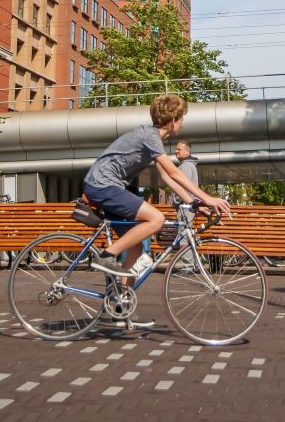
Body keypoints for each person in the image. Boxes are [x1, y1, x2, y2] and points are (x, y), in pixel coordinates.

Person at [83, 94, 231, 326]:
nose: (182, 124)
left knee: (135, 251)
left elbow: (166, 178)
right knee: (156, 218)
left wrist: (194, 203)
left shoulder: (151, 138)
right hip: (103, 185)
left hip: (107, 186)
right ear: (173, 120)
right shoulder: (150, 136)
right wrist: (208, 198)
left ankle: (121, 308)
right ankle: (106, 256)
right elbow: (174, 173)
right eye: (182, 119)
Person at [172, 140, 198, 269]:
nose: (176, 151)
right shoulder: (188, 165)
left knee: (183, 234)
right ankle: (192, 264)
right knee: (187, 234)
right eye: (176, 149)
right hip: (188, 205)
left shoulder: (185, 166)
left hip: (185, 206)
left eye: (179, 149)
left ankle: (188, 266)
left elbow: (183, 187)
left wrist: (176, 201)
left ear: (187, 152)